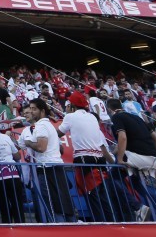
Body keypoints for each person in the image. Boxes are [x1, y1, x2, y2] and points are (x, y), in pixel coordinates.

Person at [58, 92, 116, 222]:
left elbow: (58, 133)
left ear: (72, 105)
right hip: (100, 159)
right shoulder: (92, 117)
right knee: (102, 195)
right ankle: (111, 223)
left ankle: (100, 226)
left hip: (85, 159)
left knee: (92, 195)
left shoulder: (70, 116)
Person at [106, 98, 156, 222]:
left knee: (112, 178)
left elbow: (123, 137)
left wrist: (119, 159)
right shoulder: (137, 117)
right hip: (152, 158)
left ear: (109, 109)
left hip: (136, 157)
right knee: (134, 182)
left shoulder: (117, 117)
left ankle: (138, 207)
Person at [20, 99, 76, 223]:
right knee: (63, 200)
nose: (32, 111)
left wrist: (28, 142)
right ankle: (70, 226)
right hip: (56, 165)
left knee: (52, 201)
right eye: (31, 109)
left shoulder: (41, 126)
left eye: (34, 109)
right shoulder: (49, 125)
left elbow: (41, 147)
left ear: (42, 111)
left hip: (46, 168)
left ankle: (58, 228)